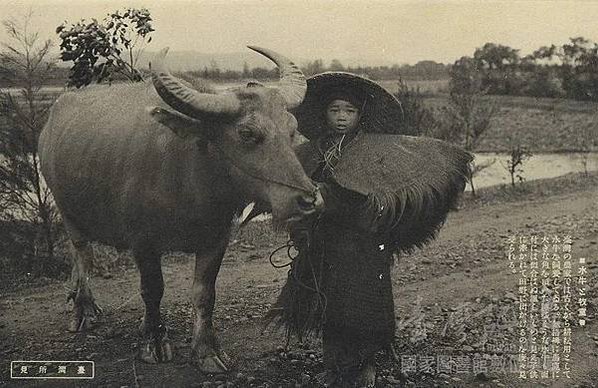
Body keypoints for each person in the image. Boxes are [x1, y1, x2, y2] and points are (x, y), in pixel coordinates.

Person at [268, 72, 473, 388]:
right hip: (323, 242)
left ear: (359, 115)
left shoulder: (373, 152)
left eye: (348, 111)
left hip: (361, 243)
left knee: (361, 305)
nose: (341, 117)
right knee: (327, 303)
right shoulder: (312, 151)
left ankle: (365, 365)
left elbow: (366, 193)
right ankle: (334, 365)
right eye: (334, 110)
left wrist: (330, 198)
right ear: (324, 112)